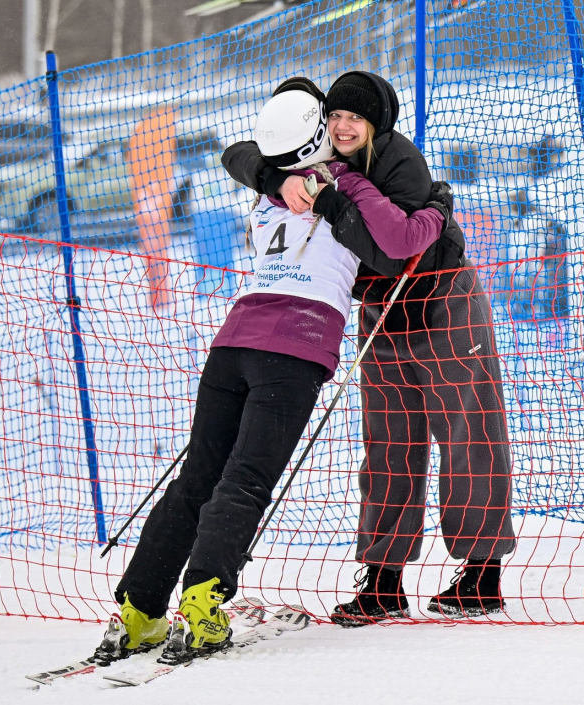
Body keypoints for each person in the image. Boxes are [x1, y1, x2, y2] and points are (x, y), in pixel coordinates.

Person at [104, 82, 448, 665]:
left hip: (233, 340)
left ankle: (139, 610)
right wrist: (435, 211)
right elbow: (394, 244)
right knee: (245, 479)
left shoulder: (269, 189)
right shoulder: (347, 182)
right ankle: (204, 603)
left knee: (199, 477)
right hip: (295, 347)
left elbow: (243, 158)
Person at [222, 71, 516, 627]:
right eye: (335, 116)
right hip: (380, 314)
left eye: (355, 117)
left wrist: (341, 200)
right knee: (388, 442)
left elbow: (391, 254)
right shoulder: (317, 159)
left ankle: (482, 571)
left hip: (439, 300)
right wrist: (271, 177)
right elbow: (238, 154)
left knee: (466, 432)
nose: (343, 125)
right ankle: (383, 579)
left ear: (376, 123)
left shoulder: (399, 162)